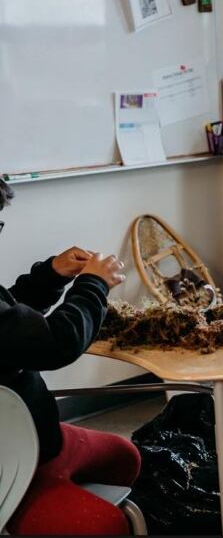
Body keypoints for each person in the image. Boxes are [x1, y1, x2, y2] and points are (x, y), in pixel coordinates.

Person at [0, 179, 137, 535]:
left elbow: (12, 322)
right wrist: (94, 285)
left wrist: (49, 275)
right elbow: (54, 343)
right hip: (11, 465)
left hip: (35, 440)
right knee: (105, 525)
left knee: (126, 457)